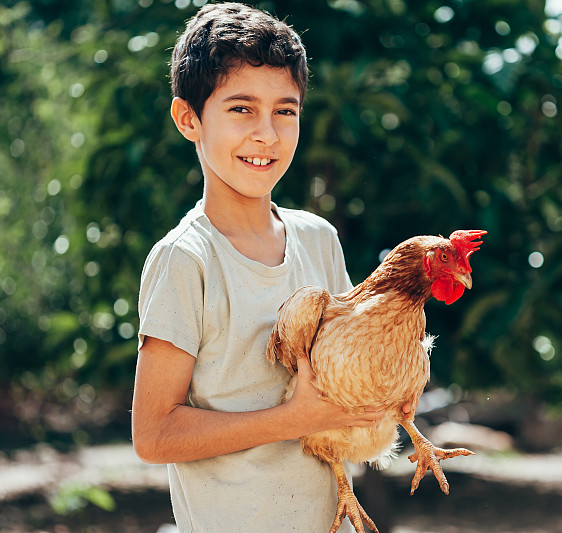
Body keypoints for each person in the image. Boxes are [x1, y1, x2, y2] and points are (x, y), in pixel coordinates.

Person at [132, 3, 390, 531]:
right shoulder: (186, 260)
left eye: (285, 111)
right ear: (189, 119)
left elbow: (346, 382)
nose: (267, 134)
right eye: (241, 109)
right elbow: (154, 435)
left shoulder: (319, 240)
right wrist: (291, 420)